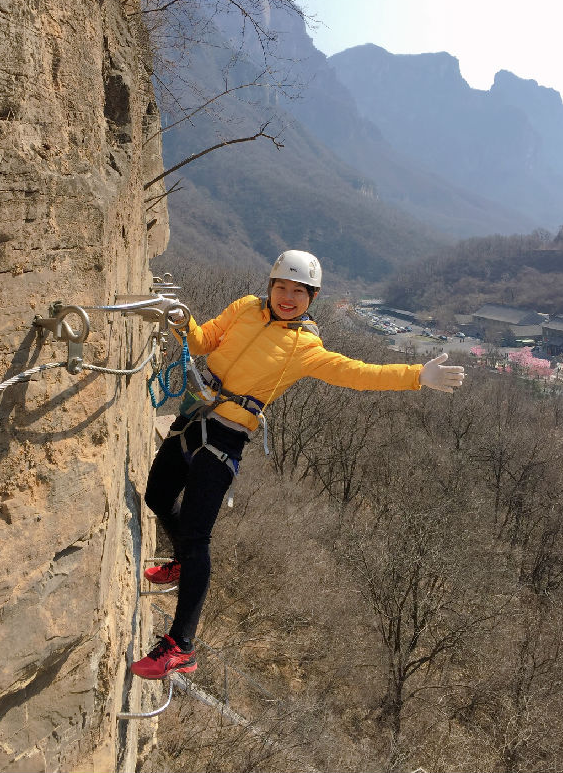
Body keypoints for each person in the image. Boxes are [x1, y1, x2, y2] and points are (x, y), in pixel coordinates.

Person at [131, 250, 464, 679]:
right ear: (269, 287)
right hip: (192, 415)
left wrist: (418, 375)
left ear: (312, 297)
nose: (287, 297)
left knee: (198, 537)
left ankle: (181, 645)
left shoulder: (305, 348)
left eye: (298, 292)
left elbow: (359, 373)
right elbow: (202, 341)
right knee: (158, 494)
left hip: (226, 437)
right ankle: (181, 564)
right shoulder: (245, 309)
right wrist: (181, 321)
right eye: (281, 287)